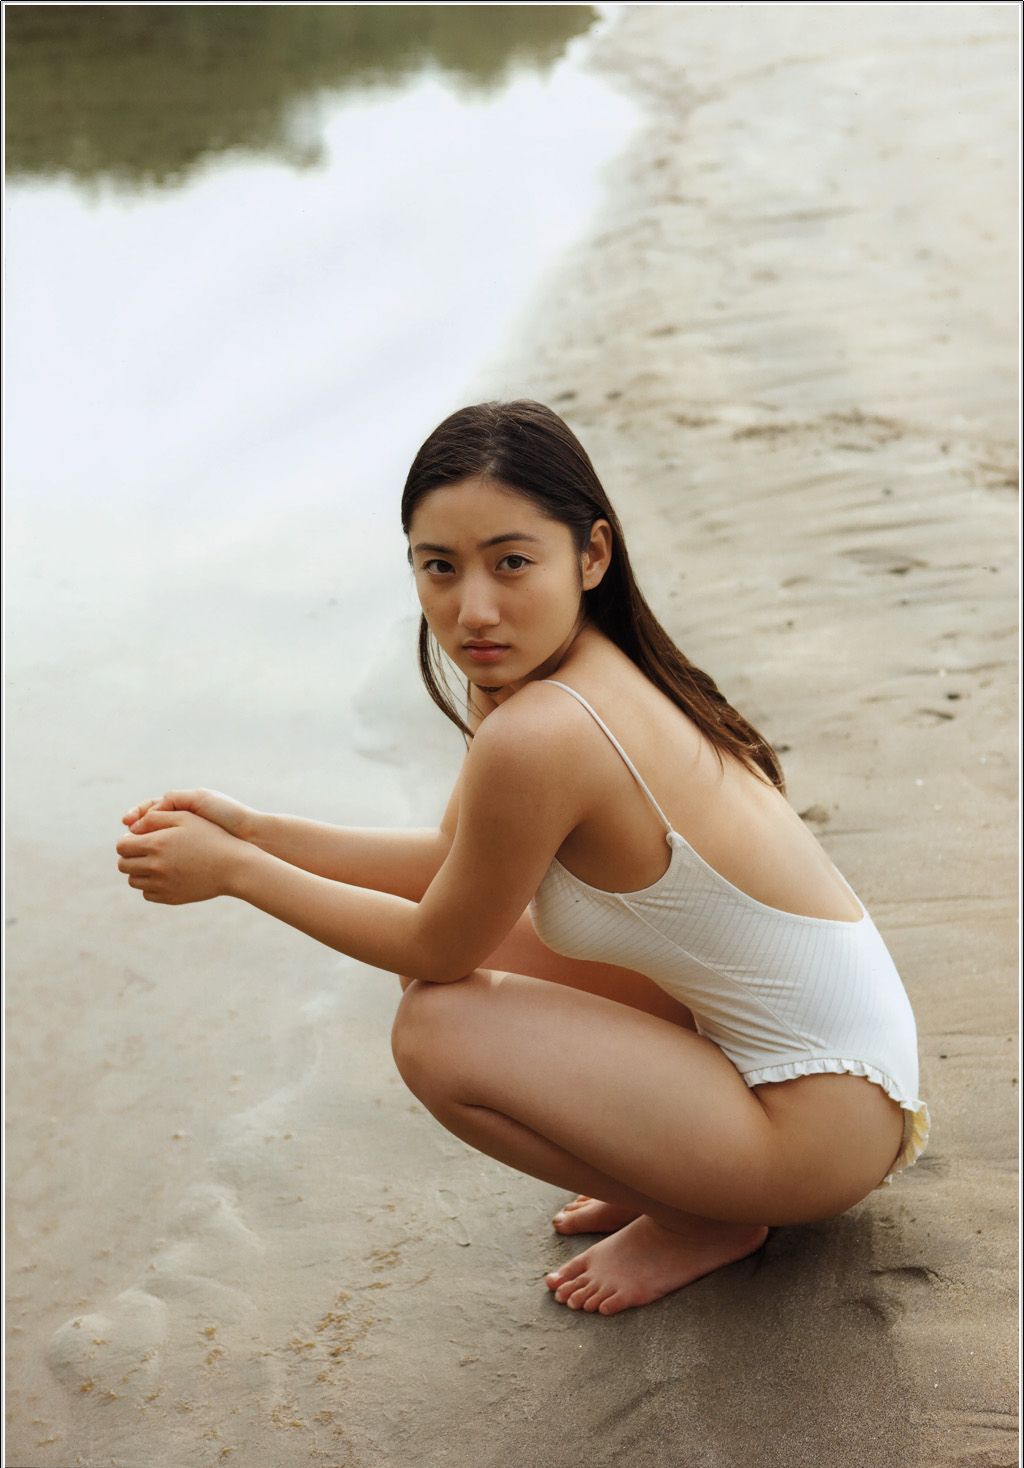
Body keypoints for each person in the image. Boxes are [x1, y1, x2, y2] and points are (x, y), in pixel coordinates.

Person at [116, 399, 928, 1316]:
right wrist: (256, 830)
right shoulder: (569, 665)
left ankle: (702, 1215)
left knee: (437, 1028)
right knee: (486, 953)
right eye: (439, 567)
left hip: (817, 1129)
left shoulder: (545, 730)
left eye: (511, 562)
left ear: (592, 554)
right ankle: (678, 1167)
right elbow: (452, 859)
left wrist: (237, 875)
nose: (474, 610)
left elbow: (435, 946)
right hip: (821, 1074)